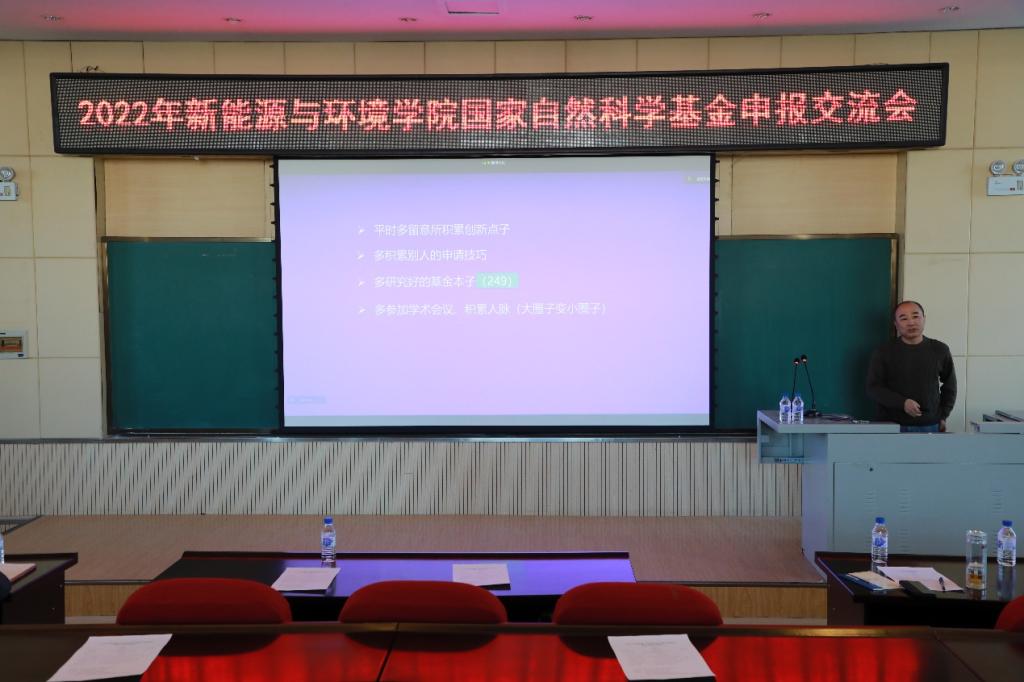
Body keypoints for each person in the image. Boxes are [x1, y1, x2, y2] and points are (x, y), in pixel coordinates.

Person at [866, 300, 956, 432]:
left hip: (929, 424)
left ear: (924, 319)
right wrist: (902, 403)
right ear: (896, 324)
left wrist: (943, 416)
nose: (911, 322)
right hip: (891, 425)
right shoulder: (883, 352)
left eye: (915, 316)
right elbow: (873, 388)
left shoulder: (940, 349)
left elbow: (950, 386)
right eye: (904, 318)